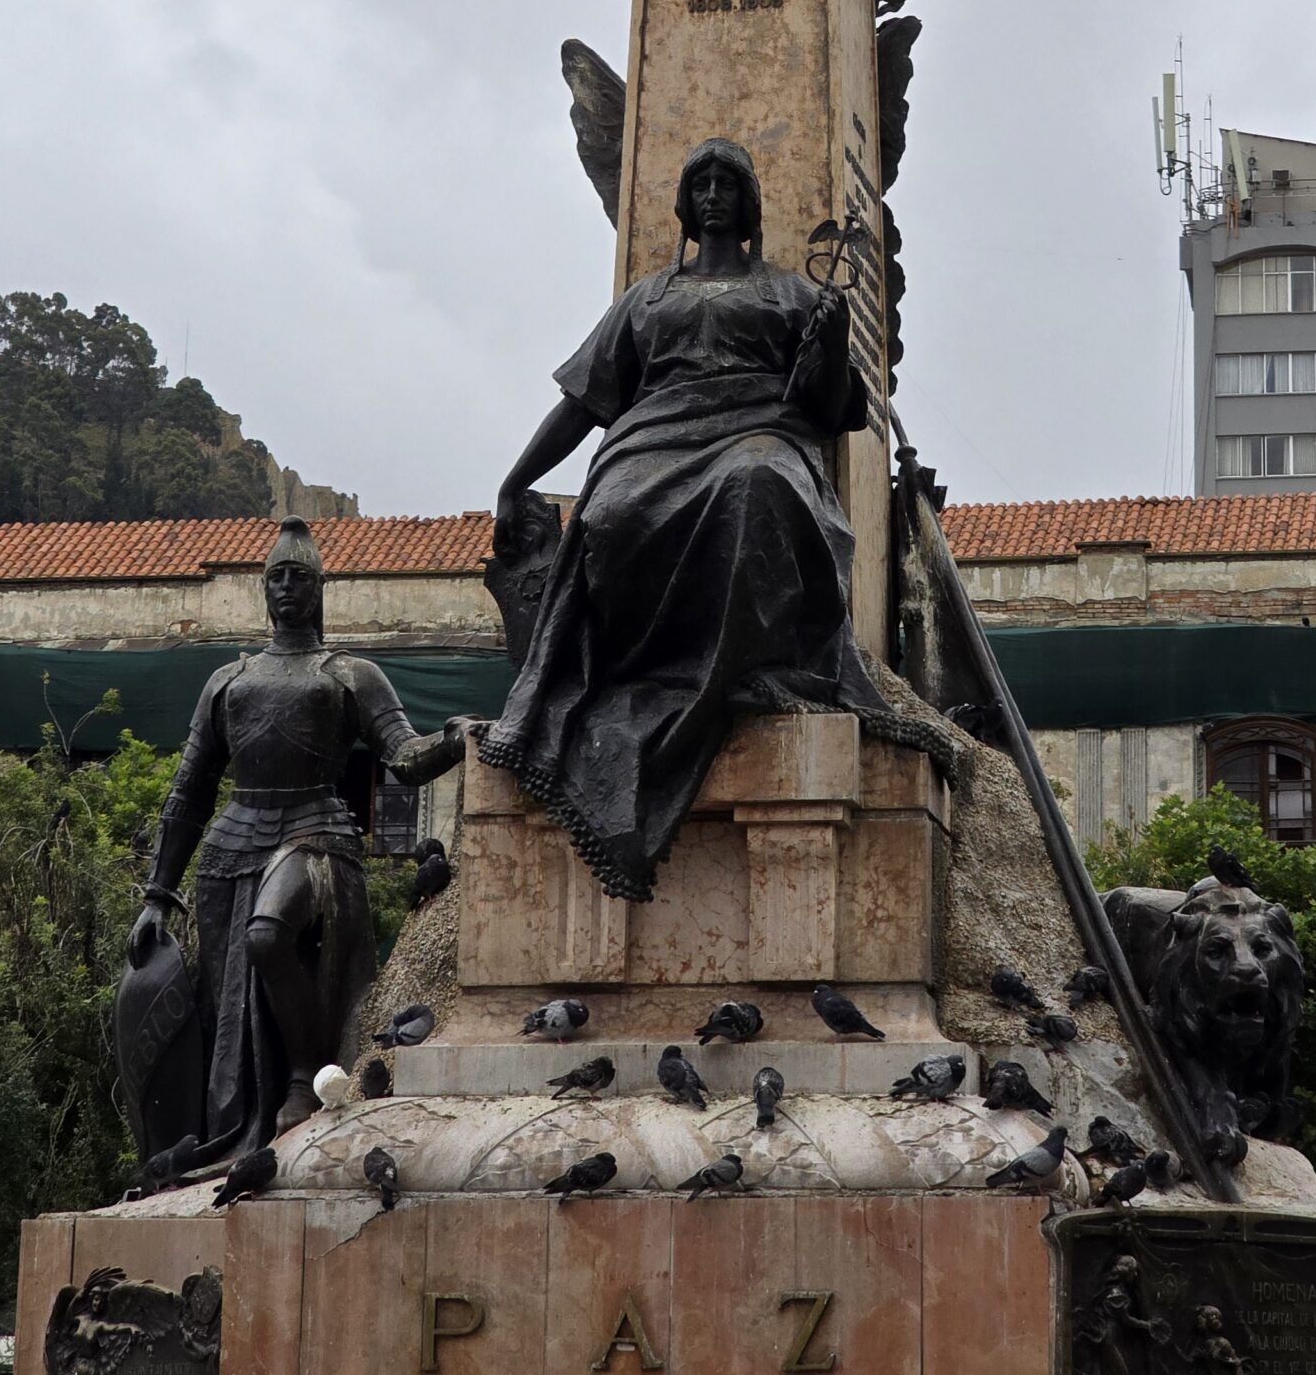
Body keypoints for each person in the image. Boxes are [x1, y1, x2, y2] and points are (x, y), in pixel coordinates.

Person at [480, 138, 918, 899]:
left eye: (728, 184)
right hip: (653, 439)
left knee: (758, 483)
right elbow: (581, 403)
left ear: (749, 204)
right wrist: (517, 480)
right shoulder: (646, 299)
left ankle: (750, 664)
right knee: (608, 516)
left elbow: (833, 409)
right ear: (686, 203)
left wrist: (830, 341)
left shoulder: (792, 294)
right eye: (702, 184)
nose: (714, 195)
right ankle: (638, 673)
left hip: (762, 432)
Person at [123, 518, 470, 1157]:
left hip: (317, 835)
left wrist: (454, 741)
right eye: (277, 577)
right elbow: (189, 790)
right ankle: (235, 1128)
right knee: (227, 1005)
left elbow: (403, 755)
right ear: (264, 588)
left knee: (267, 935)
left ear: (319, 588)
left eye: (299, 577)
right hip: (231, 846)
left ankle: (303, 1080)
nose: (287, 587)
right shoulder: (227, 681)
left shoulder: (350, 674)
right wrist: (157, 896)